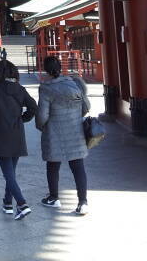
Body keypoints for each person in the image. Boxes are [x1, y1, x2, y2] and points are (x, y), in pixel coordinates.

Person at [35, 55, 91, 215]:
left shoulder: (46, 88)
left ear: (46, 70)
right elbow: (86, 106)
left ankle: (53, 197)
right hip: (75, 132)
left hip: (55, 133)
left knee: (53, 165)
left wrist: (40, 127)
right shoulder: (74, 84)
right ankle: (82, 202)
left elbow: (42, 116)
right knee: (78, 167)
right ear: (60, 68)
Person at [0, 60, 37, 220]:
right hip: (17, 133)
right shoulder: (20, 89)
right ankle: (7, 203)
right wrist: (23, 118)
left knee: (8, 174)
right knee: (11, 172)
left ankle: (22, 204)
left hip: (1, 132)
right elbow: (33, 106)